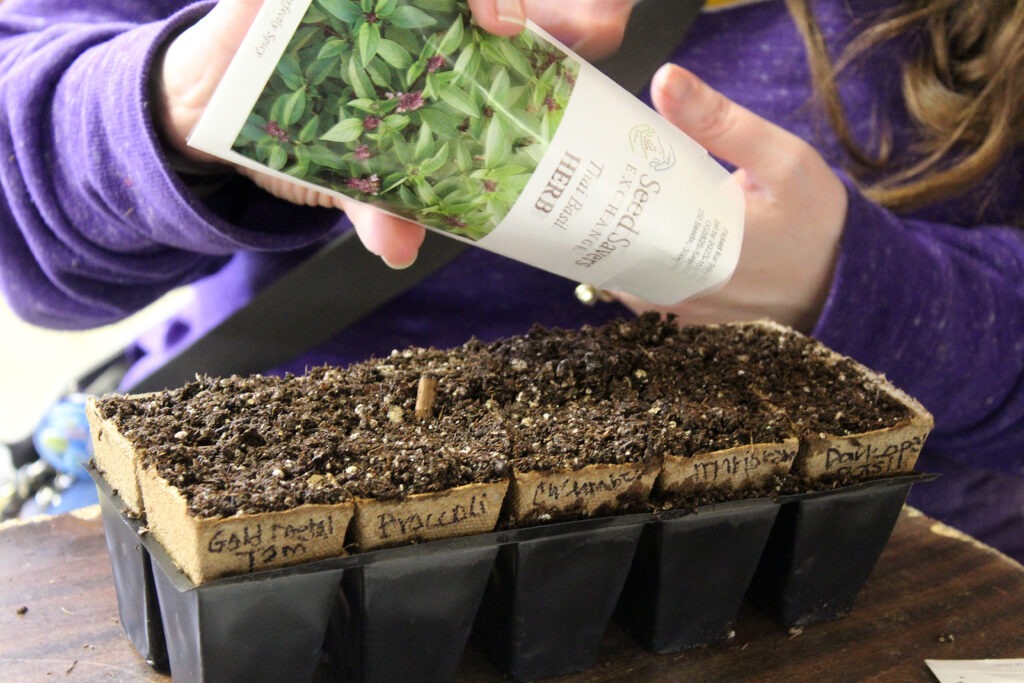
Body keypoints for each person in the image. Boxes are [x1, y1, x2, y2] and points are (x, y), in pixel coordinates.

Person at [1, 0, 1021, 560]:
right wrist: (176, 100)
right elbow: (23, 194)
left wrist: (858, 287)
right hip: (282, 555)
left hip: (820, 576)